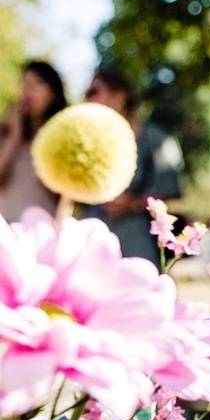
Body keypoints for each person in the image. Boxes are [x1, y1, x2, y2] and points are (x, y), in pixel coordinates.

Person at [83, 70, 183, 267]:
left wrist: (132, 203)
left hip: (136, 241)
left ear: (119, 96)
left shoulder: (156, 138)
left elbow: (170, 194)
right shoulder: (88, 142)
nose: (88, 99)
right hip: (94, 242)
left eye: (94, 92)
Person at [0, 61, 67, 220]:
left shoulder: (63, 139)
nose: (27, 90)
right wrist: (13, 137)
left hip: (39, 235)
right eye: (24, 83)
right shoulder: (6, 131)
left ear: (53, 93)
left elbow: (61, 193)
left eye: (37, 83)